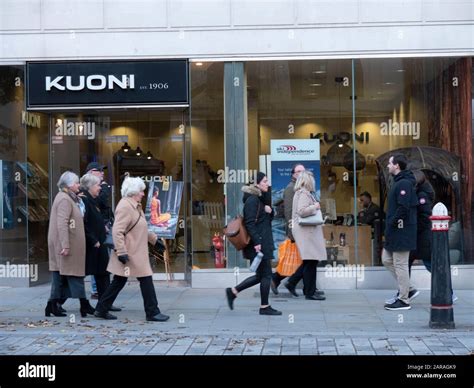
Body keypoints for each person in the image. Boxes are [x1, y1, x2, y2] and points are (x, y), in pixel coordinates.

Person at [94, 177, 169, 322]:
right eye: (141, 191)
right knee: (145, 279)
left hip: (133, 252)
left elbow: (141, 226)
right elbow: (117, 231)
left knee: (119, 281)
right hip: (129, 252)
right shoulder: (125, 206)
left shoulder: (135, 205)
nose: (143, 193)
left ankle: (101, 308)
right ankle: (152, 311)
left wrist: (154, 240)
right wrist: (121, 251)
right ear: (134, 192)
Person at [225, 172, 282, 316]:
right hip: (260, 243)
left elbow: (265, 219)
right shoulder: (252, 200)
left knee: (260, 275)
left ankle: (233, 291)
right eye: (264, 181)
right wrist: (258, 242)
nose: (267, 183)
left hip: (263, 241)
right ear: (256, 183)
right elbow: (250, 223)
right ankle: (264, 306)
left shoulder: (260, 199)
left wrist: (269, 210)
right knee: (266, 275)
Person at [46, 171, 95, 318]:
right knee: (73, 275)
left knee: (63, 276)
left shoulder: (68, 197)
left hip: (68, 244)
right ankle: (83, 305)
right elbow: (62, 223)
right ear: (69, 185)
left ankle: (52, 305)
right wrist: (65, 245)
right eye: (76, 183)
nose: (79, 185)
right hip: (67, 245)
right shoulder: (64, 200)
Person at [80, 174, 121, 312]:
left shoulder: (92, 199)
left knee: (103, 274)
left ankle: (104, 304)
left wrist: (102, 227)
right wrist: (94, 240)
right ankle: (56, 302)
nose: (100, 188)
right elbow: (83, 223)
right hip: (95, 244)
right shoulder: (84, 200)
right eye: (98, 185)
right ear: (90, 186)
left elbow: (94, 218)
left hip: (99, 242)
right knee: (98, 275)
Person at [382, 154, 418, 311]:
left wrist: (392, 222)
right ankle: (409, 288)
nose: (388, 166)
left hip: (401, 230)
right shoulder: (398, 182)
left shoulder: (403, 183)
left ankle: (404, 300)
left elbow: (403, 208)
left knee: (400, 264)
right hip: (396, 230)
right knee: (386, 259)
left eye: (390, 163)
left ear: (397, 165)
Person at [285, 171, 327, 301]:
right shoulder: (303, 193)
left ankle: (294, 283)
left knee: (309, 261)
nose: (314, 182)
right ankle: (309, 292)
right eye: (312, 179)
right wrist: (315, 206)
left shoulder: (302, 192)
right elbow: (302, 211)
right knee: (311, 261)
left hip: (306, 232)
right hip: (306, 232)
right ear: (308, 181)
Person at [85, 162, 113, 299]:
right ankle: (97, 291)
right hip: (95, 234)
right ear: (91, 172)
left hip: (102, 228)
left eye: (103, 170)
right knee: (98, 263)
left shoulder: (101, 187)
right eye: (99, 170)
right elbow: (101, 202)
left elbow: (105, 205)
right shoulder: (86, 195)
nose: (102, 172)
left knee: (103, 264)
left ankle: (104, 294)